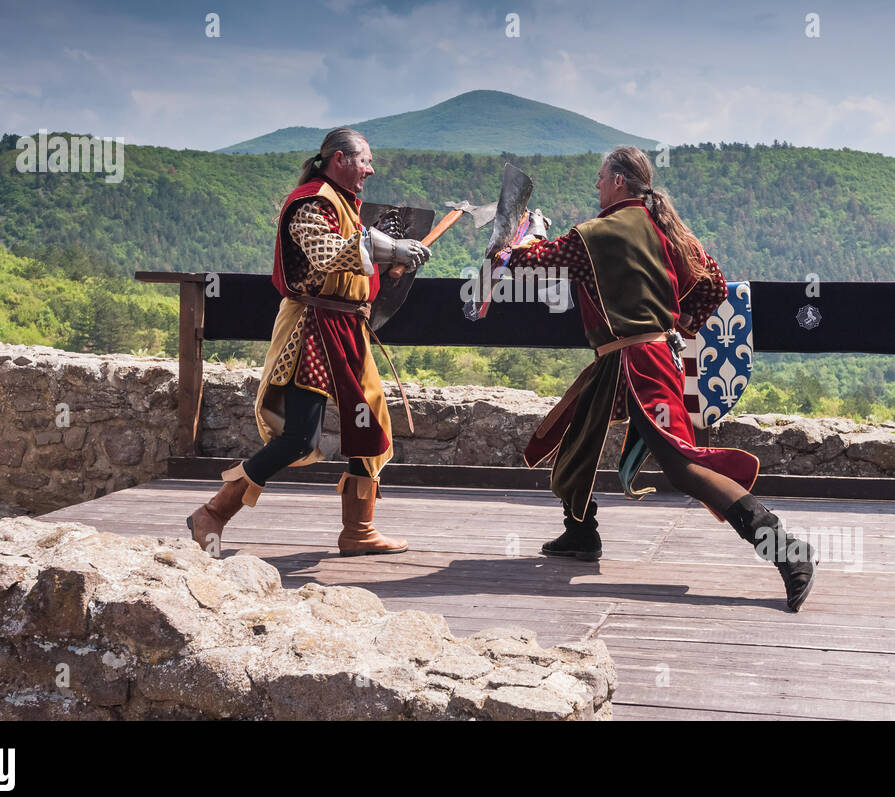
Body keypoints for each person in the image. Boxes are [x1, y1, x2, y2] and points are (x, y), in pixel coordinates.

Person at [504, 146, 818, 611]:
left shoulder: (598, 233)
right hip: (633, 359)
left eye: (599, 178)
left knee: (683, 466)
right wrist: (680, 329)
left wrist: (522, 237)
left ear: (617, 182)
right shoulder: (664, 227)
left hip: (640, 364)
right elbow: (713, 281)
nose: (595, 186)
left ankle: (788, 550)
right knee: (576, 439)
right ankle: (580, 533)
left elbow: (531, 263)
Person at [187, 128, 429, 558]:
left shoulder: (345, 204)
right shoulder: (311, 203)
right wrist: (390, 248)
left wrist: (391, 264)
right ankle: (212, 513)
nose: (370, 169)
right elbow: (328, 255)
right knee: (299, 437)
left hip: (347, 329)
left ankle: (358, 531)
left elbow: (354, 265)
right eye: (364, 161)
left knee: (368, 425)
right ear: (339, 159)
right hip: (311, 330)